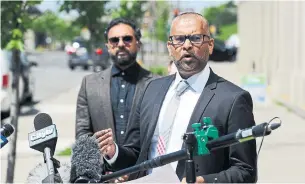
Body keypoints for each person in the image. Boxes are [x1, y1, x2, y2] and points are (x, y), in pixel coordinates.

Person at [99, 12, 257, 183]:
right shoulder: (152, 89)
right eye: (179, 39)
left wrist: (206, 181)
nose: (187, 45)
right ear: (170, 47)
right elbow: (136, 152)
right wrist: (113, 152)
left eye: (196, 38)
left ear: (210, 45)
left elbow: (245, 171)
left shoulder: (233, 99)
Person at [75, 17, 157, 155]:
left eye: (127, 39)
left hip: (145, 172)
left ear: (138, 44)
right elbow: (83, 135)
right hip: (105, 173)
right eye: (114, 40)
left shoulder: (157, 84)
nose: (120, 44)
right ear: (107, 46)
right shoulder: (89, 84)